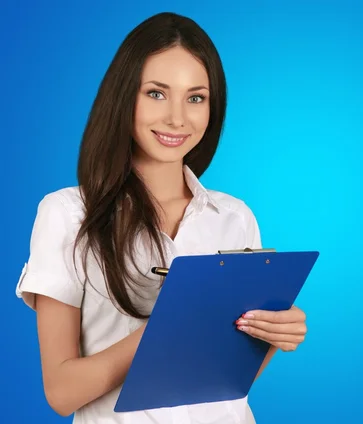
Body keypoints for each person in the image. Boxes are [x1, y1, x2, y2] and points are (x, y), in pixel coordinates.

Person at [15, 12, 307, 424]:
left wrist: (272, 335)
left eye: (195, 97)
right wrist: (161, 333)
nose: (177, 118)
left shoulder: (234, 216)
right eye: (156, 93)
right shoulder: (67, 214)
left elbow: (224, 384)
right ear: (123, 96)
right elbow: (61, 393)